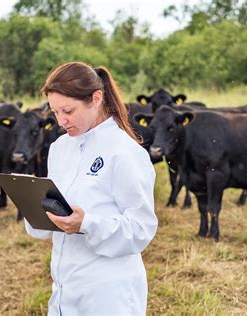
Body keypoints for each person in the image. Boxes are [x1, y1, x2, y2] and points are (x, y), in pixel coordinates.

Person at [25, 61, 158, 315]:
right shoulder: (60, 148)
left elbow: (141, 229)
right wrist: (33, 208)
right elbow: (54, 214)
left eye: (68, 111)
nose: (61, 121)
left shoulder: (124, 152)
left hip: (109, 293)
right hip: (65, 287)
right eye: (55, 112)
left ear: (96, 98)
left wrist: (86, 224)